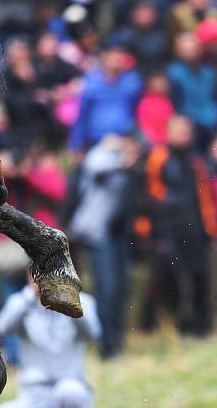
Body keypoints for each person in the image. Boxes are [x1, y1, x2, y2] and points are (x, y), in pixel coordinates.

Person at [139, 116, 217, 335]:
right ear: (168, 132)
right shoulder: (158, 157)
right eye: (178, 130)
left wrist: (211, 230)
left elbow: (206, 199)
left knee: (200, 277)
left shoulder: (196, 161)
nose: (183, 134)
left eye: (186, 130)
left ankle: (201, 327)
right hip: (167, 231)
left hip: (194, 229)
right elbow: (148, 194)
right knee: (171, 280)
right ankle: (164, 326)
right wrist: (148, 231)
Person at [68, 134, 140, 358]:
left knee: (121, 289)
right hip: (98, 235)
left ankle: (116, 340)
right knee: (106, 289)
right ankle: (106, 345)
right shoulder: (102, 156)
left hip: (118, 234)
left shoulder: (131, 164)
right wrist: (118, 153)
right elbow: (95, 169)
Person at [0, 273, 101, 408]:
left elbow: (93, 332)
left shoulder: (82, 300)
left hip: (71, 386)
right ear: (30, 276)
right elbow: (2, 327)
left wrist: (68, 300)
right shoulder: (20, 301)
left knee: (69, 391)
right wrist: (30, 295)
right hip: (35, 393)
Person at [69, 43, 142, 154]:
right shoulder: (91, 83)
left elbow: (136, 111)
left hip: (126, 140)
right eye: (113, 55)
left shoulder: (131, 83)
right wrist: (76, 145)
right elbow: (82, 115)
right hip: (98, 142)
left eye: (120, 55)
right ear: (104, 57)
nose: (116, 59)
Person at [167, 32, 217, 152]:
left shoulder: (209, 72)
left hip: (211, 123)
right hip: (189, 125)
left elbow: (216, 98)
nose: (191, 51)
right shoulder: (174, 73)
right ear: (178, 51)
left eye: (194, 48)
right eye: (186, 49)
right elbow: (175, 101)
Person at [136, 72, 175, 145]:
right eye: (158, 83)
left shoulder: (167, 102)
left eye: (163, 82)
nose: (162, 85)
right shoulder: (145, 102)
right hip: (152, 143)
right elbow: (145, 126)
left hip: (166, 142)